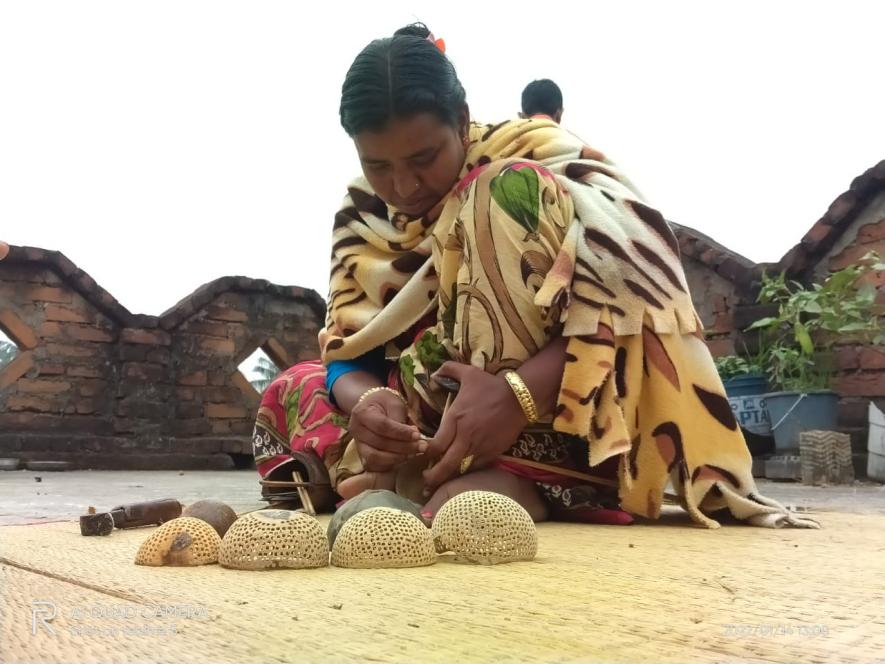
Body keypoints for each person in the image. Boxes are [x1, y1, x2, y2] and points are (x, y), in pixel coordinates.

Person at [251, 24, 816, 530]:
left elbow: (636, 289)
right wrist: (371, 401)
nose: (403, 186)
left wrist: (513, 397)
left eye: (424, 158)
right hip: (433, 400)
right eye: (379, 166)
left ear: (462, 120)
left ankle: (527, 471)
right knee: (292, 387)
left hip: (559, 400)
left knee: (501, 191)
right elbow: (350, 345)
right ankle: (415, 466)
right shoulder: (360, 210)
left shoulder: (531, 154)